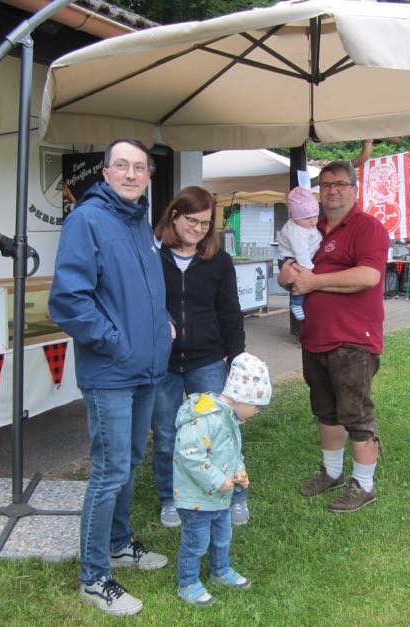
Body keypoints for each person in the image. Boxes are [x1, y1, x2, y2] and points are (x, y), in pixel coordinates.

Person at [49, 138, 173, 617]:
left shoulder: (138, 220)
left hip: (146, 366)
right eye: (121, 165)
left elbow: (142, 291)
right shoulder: (87, 220)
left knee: (130, 461)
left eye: (139, 167)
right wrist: (116, 341)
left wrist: (161, 324)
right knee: (109, 471)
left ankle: (119, 543)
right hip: (111, 370)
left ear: (148, 176)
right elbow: (68, 301)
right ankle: (94, 577)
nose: (130, 174)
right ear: (104, 173)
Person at [279, 160, 389, 513]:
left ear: (355, 189)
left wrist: (314, 282)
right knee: (325, 410)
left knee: (355, 413)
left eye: (340, 183)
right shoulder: (310, 225)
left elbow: (368, 276)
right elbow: (288, 266)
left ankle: (364, 485)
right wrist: (285, 274)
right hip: (316, 335)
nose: (332, 190)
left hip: (353, 338)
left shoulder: (367, 228)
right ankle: (332, 472)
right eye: (326, 184)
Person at [151, 186, 247, 530]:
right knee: (165, 434)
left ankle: (234, 495)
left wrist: (237, 359)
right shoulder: (152, 255)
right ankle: (170, 497)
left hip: (207, 360)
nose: (198, 229)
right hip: (162, 363)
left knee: (219, 431)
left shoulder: (218, 261)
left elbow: (230, 312)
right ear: (174, 215)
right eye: (192, 220)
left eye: (205, 224)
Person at [174, 352, 272, 605]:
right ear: (241, 398)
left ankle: (220, 570)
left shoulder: (229, 418)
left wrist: (239, 471)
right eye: (256, 406)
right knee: (196, 542)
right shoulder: (205, 418)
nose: (257, 412)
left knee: (222, 536)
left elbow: (231, 451)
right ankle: (188, 583)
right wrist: (217, 480)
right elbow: (189, 454)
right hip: (196, 498)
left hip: (220, 497)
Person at [277, 186, 322, 320]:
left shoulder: (305, 226)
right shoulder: (296, 231)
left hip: (300, 258)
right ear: (295, 217)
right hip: (293, 260)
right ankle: (296, 303)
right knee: (299, 280)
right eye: (307, 218)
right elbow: (301, 251)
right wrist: (308, 268)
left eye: (315, 216)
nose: (312, 221)